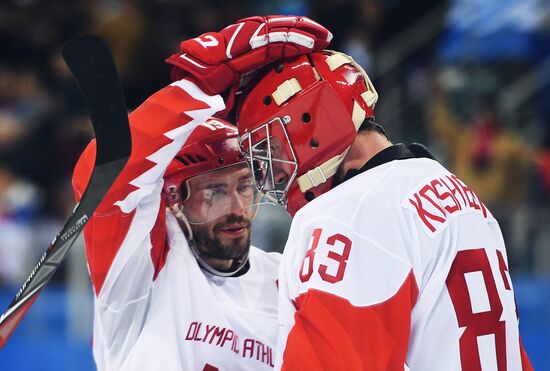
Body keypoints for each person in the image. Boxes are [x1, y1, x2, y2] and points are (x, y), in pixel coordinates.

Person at [236, 50, 533, 370]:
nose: (275, 173)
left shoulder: (347, 213)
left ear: (315, 125)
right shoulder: (460, 193)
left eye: (274, 149)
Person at [71, 16, 332, 371]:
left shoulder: (285, 279)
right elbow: (105, 176)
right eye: (214, 192)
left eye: (243, 186)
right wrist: (200, 86)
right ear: (174, 200)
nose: (237, 207)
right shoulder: (142, 274)